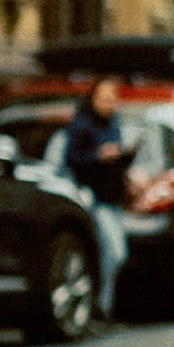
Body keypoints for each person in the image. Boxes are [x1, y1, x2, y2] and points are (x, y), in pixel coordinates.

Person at [59, 79, 134, 323]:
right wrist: (98, 155)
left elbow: (118, 159)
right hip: (95, 198)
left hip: (115, 198)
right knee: (115, 252)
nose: (109, 103)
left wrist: (126, 161)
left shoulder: (115, 122)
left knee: (110, 253)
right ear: (93, 99)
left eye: (113, 98)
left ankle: (104, 307)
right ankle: (100, 306)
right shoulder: (82, 124)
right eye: (104, 98)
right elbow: (71, 159)